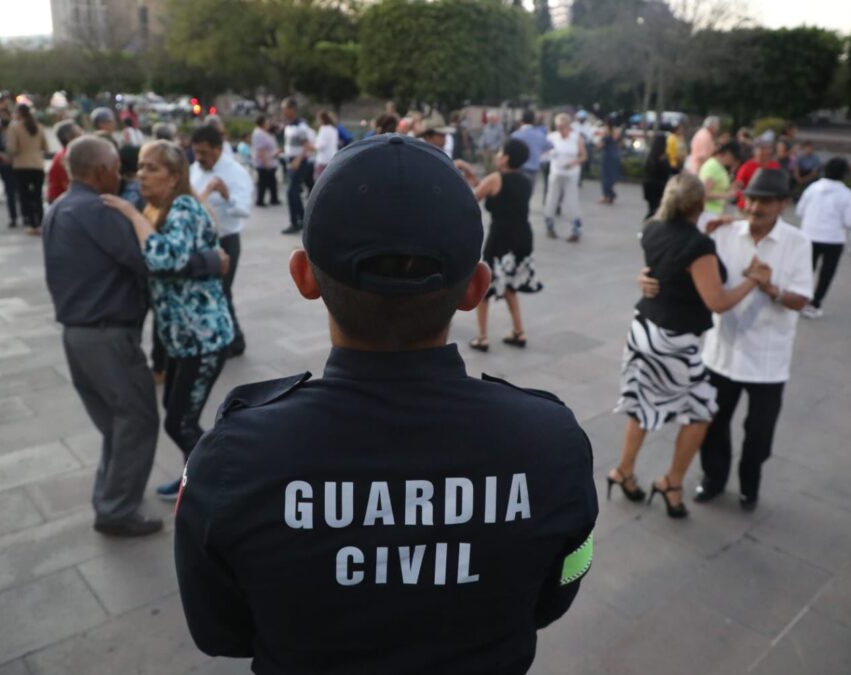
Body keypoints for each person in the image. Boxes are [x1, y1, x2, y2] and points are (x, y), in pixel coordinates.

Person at [174, 134, 599, 672]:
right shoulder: (554, 446)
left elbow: (218, 630)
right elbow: (562, 584)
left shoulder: (228, 461)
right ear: (476, 288)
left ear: (305, 277)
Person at [42, 136, 226, 537]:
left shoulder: (59, 208)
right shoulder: (101, 210)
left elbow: (159, 253)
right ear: (102, 170)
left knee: (125, 422)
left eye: (148, 168)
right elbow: (151, 260)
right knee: (138, 419)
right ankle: (117, 508)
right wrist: (213, 260)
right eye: (127, 168)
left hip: (81, 336)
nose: (132, 175)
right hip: (107, 337)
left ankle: (118, 498)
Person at [644, 169, 813, 511]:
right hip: (721, 350)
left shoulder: (797, 243)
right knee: (713, 423)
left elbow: (801, 299)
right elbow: (678, 257)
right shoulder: (723, 233)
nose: (753, 207)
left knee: (759, 433)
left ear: (783, 204)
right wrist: (646, 278)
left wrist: (770, 288)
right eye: (749, 199)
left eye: (764, 201)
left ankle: (750, 484)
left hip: (768, 356)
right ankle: (713, 479)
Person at [611, 173, 771, 518]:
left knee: (641, 404)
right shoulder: (699, 247)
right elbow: (717, 301)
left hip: (644, 330)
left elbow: (670, 264)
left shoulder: (653, 227)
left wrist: (706, 232)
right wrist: (752, 281)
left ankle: (623, 470)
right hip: (675, 340)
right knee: (701, 412)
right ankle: (671, 482)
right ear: (700, 204)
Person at [103, 140, 235, 501]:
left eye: (152, 168)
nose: (141, 174)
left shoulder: (183, 209)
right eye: (141, 167)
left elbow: (164, 259)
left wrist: (131, 215)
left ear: (174, 176)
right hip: (183, 339)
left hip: (203, 338)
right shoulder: (160, 209)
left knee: (179, 421)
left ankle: (216, 483)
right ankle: (197, 477)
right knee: (176, 414)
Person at [455, 138, 542, 352]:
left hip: (501, 239)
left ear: (505, 158)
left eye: (500, 152)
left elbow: (472, 198)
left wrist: (464, 171)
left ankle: (482, 337)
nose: (497, 155)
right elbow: (490, 189)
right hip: (522, 237)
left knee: (485, 288)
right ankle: (519, 332)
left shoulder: (495, 178)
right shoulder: (525, 180)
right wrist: (473, 176)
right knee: (511, 285)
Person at [190, 123, 252, 358]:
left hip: (226, 240)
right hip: (201, 242)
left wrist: (226, 197)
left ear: (217, 149)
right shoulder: (195, 169)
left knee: (222, 291)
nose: (199, 157)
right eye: (196, 152)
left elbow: (244, 210)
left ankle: (234, 340)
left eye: (203, 153)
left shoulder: (235, 172)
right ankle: (220, 336)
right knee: (210, 292)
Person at [796, 157, 851, 319]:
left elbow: (800, 211)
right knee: (826, 273)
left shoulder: (812, 188)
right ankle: (815, 304)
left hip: (809, 234)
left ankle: (800, 300)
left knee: (807, 269)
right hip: (834, 239)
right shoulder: (847, 194)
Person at [544, 113, 587, 242]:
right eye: (558, 127)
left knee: (571, 199)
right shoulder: (552, 137)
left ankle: (576, 227)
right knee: (552, 198)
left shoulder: (576, 138)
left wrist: (573, 163)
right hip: (556, 172)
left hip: (571, 173)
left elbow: (584, 156)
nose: (560, 130)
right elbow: (544, 153)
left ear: (568, 127)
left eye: (563, 127)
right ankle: (549, 224)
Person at [7, 103, 49, 235]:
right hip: (37, 165)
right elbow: (46, 147)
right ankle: (40, 221)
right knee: (37, 195)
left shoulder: (14, 129)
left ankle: (30, 222)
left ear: (19, 114)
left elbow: (13, 149)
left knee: (25, 195)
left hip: (21, 166)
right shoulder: (39, 127)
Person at [280, 98, 316, 234]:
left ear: (292, 109)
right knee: (310, 190)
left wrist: (297, 160)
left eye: (285, 109)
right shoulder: (289, 125)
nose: (283, 112)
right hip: (292, 160)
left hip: (300, 162)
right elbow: (292, 144)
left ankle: (297, 221)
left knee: (292, 191)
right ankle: (304, 219)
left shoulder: (300, 126)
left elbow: (306, 145)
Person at [0, 106, 20, 228]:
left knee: (19, 190)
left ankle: (25, 214)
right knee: (10, 191)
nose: (3, 117)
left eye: (4, 114)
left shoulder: (16, 128)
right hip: (4, 164)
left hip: (17, 163)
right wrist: (2, 155)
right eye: (0, 114)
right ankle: (13, 217)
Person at [510, 109, 553, 195]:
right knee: (528, 194)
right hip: (533, 169)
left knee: (516, 194)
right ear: (533, 121)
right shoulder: (539, 135)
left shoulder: (515, 135)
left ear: (521, 121)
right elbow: (550, 146)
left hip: (518, 169)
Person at [733, 138, 779, 210]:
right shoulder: (746, 167)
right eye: (762, 148)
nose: (766, 152)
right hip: (747, 208)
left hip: (767, 208)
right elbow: (738, 187)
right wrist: (748, 201)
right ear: (755, 151)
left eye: (768, 148)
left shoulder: (775, 166)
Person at [698, 141, 740, 222]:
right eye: (734, 157)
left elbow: (717, 188)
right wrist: (727, 195)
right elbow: (704, 193)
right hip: (709, 211)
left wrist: (730, 188)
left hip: (714, 211)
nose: (733, 161)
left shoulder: (718, 166)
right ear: (727, 154)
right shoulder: (713, 167)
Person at [47, 120, 82, 204]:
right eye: (79, 132)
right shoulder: (68, 156)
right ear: (68, 137)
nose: (82, 134)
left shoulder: (66, 153)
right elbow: (69, 185)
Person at [642, 131, 673, 220]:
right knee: (657, 211)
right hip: (659, 188)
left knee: (652, 209)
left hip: (648, 186)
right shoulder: (663, 158)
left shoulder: (651, 156)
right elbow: (668, 171)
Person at [252, 115, 281, 207]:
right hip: (264, 163)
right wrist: (265, 163)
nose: (268, 124)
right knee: (263, 182)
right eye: (267, 122)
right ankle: (260, 200)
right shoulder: (259, 133)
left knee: (271, 181)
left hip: (270, 160)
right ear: (262, 123)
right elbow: (261, 149)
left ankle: (274, 198)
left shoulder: (263, 132)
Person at [598, 121, 621, 204]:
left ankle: (607, 196)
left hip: (607, 158)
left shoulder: (607, 137)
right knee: (610, 178)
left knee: (605, 178)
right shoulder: (615, 136)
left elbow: (600, 146)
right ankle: (610, 195)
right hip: (614, 158)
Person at [314, 110, 339, 181]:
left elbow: (320, 145)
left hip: (323, 160)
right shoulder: (334, 129)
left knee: (319, 182)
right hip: (332, 158)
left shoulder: (323, 129)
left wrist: (313, 146)